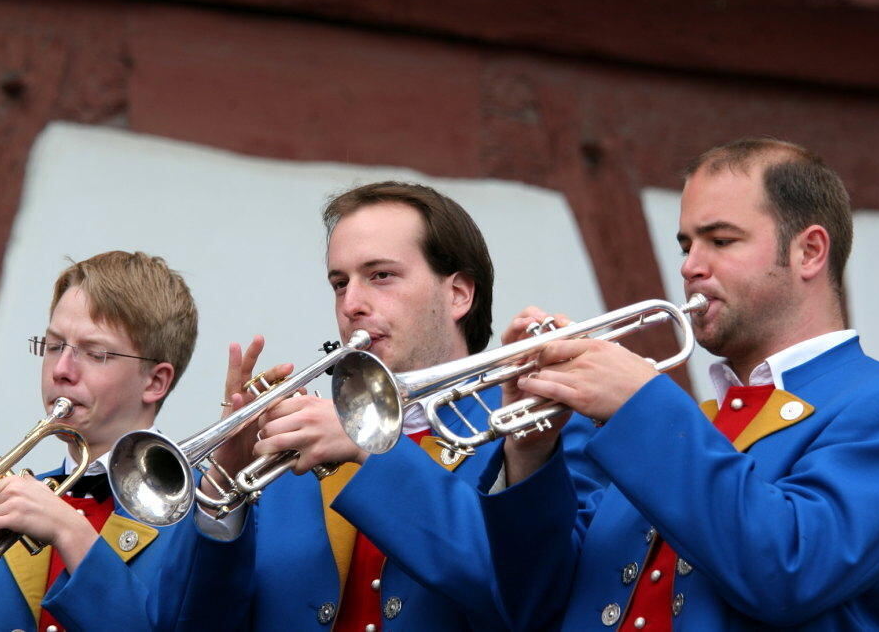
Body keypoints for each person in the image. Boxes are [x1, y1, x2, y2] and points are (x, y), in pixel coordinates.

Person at [480, 138, 879, 630]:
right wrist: (530, 454)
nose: (689, 267)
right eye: (686, 245)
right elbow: (538, 606)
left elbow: (789, 571)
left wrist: (640, 404)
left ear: (809, 252)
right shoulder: (689, 423)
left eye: (721, 241)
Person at [186, 181, 601, 630]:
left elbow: (534, 600)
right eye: (339, 283)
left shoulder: (542, 428)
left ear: (459, 293)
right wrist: (223, 491)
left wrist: (371, 447)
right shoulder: (293, 457)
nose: (352, 305)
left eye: (380, 275)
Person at [0, 250, 221, 631]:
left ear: (154, 381)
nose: (61, 370)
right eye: (55, 345)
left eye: (95, 354)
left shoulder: (205, 516)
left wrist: (70, 533)